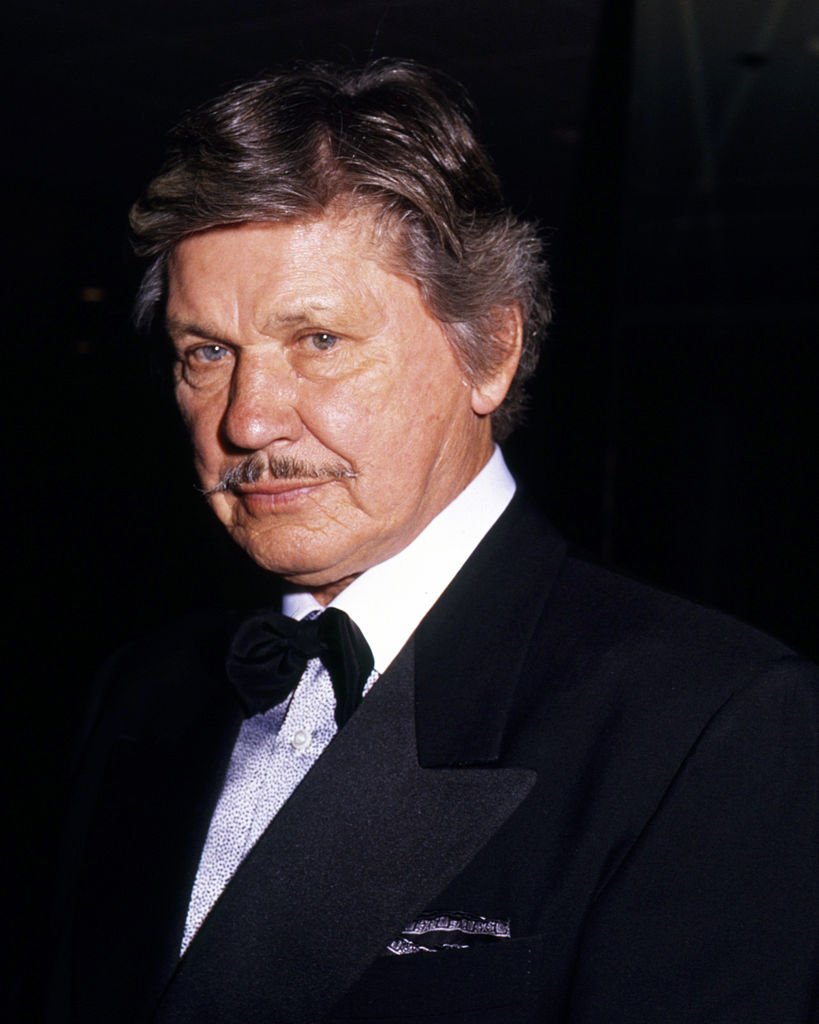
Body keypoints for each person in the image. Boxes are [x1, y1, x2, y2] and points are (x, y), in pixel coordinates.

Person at [49, 60, 818, 1024]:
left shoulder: (711, 721)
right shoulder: (146, 688)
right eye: (207, 352)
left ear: (488, 351)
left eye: (318, 341)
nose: (246, 421)